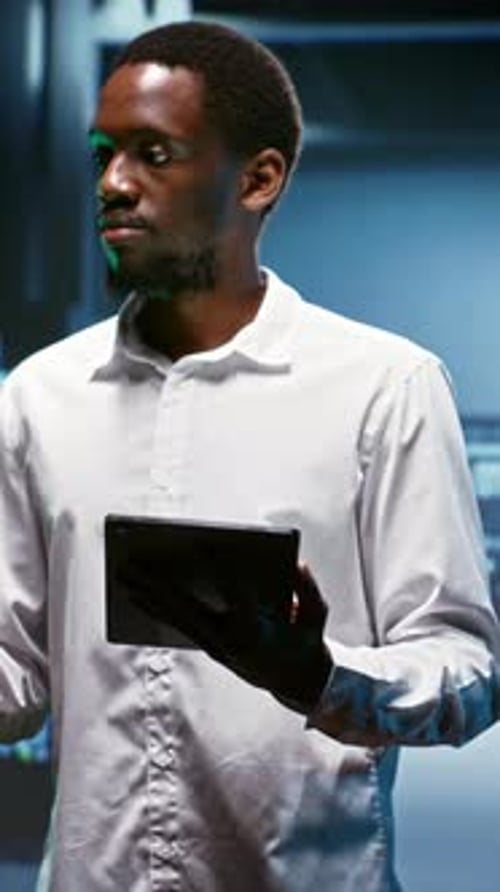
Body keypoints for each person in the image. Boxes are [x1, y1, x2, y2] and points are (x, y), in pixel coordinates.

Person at [0, 20, 499, 892]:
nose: (114, 185)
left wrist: (320, 674)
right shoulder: (39, 398)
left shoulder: (384, 387)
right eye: (102, 155)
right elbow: (18, 681)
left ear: (259, 179)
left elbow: (461, 666)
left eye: (155, 154)